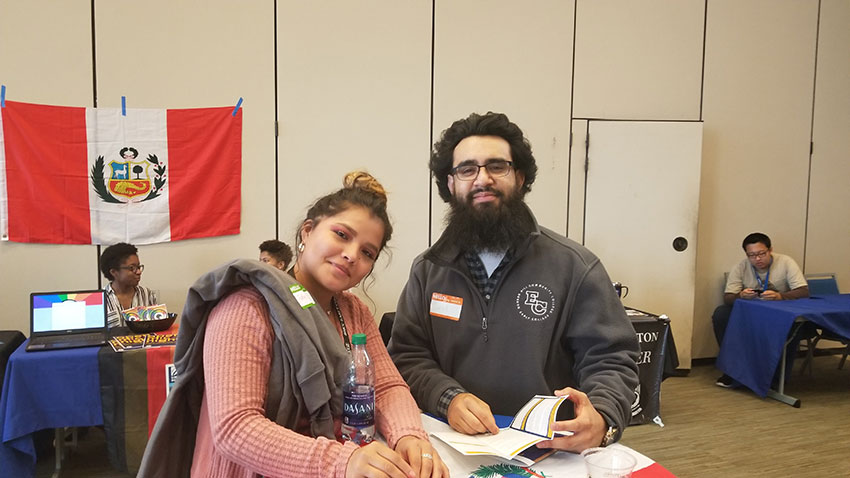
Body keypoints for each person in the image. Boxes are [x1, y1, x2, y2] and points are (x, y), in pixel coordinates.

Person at [139, 171, 447, 478]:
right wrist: (342, 463)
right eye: (341, 234)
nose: (351, 255)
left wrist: (408, 436)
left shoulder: (353, 312)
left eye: (368, 252)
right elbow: (235, 427)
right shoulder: (246, 306)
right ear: (307, 232)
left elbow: (387, 386)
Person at [388, 112, 640, 453]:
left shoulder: (574, 266)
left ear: (519, 177)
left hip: (552, 450)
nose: (482, 179)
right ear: (450, 184)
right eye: (467, 169)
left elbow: (610, 358)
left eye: (497, 166)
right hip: (450, 446)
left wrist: (604, 416)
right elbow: (407, 355)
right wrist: (447, 397)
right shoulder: (428, 270)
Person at [712, 232, 809, 388]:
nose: (757, 259)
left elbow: (803, 292)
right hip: (751, 312)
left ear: (770, 250)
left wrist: (780, 296)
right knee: (721, 314)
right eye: (751, 255)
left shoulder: (785, 262)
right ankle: (731, 370)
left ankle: (777, 379)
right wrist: (740, 295)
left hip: (780, 311)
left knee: (793, 325)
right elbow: (728, 297)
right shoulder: (741, 267)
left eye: (761, 254)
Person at [100, 242, 158, 328]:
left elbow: (156, 328)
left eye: (138, 267)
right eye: (132, 268)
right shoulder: (100, 299)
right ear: (114, 272)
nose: (139, 272)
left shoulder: (147, 294)